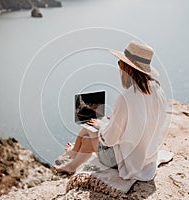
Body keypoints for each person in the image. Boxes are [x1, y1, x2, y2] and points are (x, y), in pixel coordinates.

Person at [54, 41, 169, 181]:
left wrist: (102, 126)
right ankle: (72, 160)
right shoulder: (158, 90)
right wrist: (115, 121)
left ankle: (72, 159)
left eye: (120, 64)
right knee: (90, 129)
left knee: (90, 131)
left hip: (128, 160)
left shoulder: (126, 97)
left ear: (127, 68)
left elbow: (109, 140)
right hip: (147, 155)